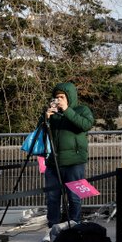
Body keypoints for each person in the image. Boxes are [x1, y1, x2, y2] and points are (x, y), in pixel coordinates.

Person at [44, 82, 95, 228]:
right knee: (52, 197)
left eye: (61, 97)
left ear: (69, 97)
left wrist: (67, 110)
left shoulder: (81, 110)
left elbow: (85, 125)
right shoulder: (53, 114)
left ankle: (75, 225)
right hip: (53, 161)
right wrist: (46, 118)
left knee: (74, 196)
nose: (58, 100)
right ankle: (52, 227)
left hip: (74, 161)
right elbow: (42, 133)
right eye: (56, 97)